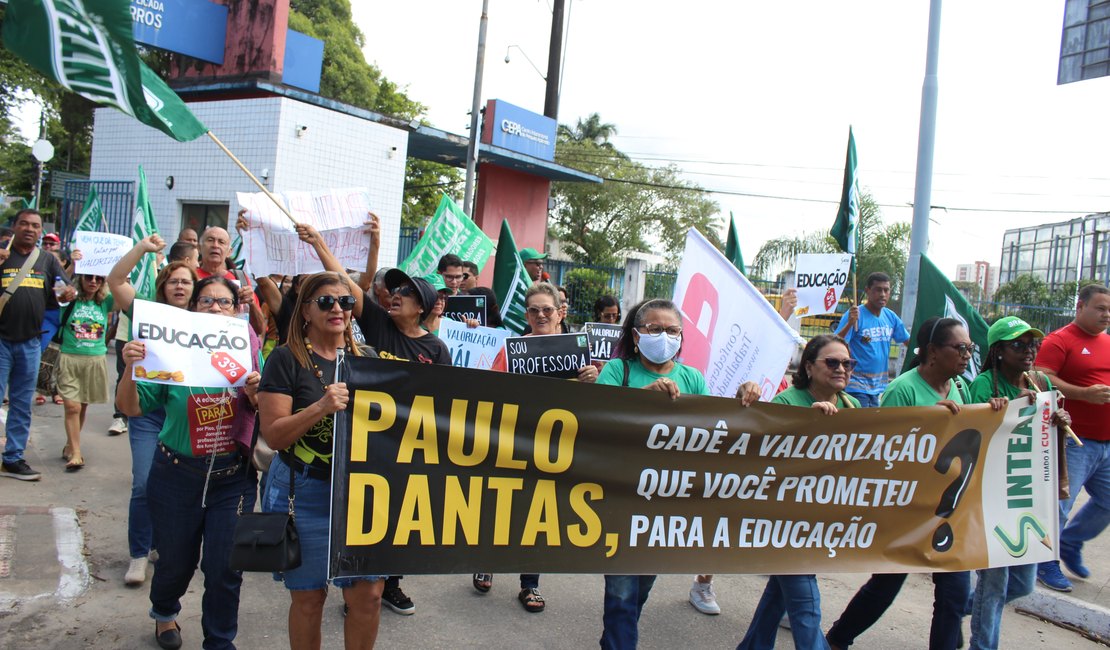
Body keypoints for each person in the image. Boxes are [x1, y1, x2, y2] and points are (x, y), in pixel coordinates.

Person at [826, 317, 1006, 650]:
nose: (967, 355)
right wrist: (928, 423)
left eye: (970, 348)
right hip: (908, 511)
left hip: (948, 511)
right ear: (934, 352)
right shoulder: (903, 389)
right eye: (960, 348)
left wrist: (995, 414)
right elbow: (883, 452)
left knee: (952, 596)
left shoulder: (961, 388)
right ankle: (839, 637)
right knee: (885, 585)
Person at [116, 275, 260, 650]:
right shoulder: (170, 352)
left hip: (233, 478)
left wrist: (257, 396)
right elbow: (131, 407)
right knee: (175, 563)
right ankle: (164, 613)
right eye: (206, 301)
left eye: (224, 302)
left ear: (237, 310)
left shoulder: (248, 353)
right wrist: (131, 367)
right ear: (193, 308)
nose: (215, 308)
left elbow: (268, 413)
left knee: (225, 568)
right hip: (176, 474)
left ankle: (219, 640)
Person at [258, 272, 384, 649]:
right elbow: (275, 435)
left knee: (368, 596)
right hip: (305, 490)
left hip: (362, 494)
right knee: (310, 598)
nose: (338, 310)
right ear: (305, 312)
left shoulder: (370, 359)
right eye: (326, 302)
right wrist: (321, 406)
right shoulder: (285, 359)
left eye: (346, 302)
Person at [595, 298, 710, 647]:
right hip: (621, 497)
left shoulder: (692, 378)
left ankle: (614, 638)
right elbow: (597, 421)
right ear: (635, 334)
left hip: (665, 504)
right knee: (621, 589)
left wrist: (742, 399)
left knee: (641, 588)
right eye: (655, 329)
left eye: (672, 330)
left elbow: (711, 433)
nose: (664, 336)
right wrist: (643, 396)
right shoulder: (618, 371)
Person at [478, 282, 598, 611]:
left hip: (555, 446)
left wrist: (593, 381)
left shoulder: (580, 353)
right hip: (514, 440)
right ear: (526, 314)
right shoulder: (512, 349)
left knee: (539, 515)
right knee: (502, 505)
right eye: (534, 310)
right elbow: (490, 390)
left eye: (547, 309)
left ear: (561, 312)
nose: (541, 315)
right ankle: (486, 560)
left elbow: (592, 407)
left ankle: (529, 584)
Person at [736, 335, 858, 650]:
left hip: (820, 522)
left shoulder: (851, 406)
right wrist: (808, 425)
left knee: (779, 596)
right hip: (784, 523)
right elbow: (764, 462)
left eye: (847, 363)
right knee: (806, 606)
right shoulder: (787, 403)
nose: (841, 368)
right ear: (808, 366)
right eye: (832, 362)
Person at [967, 316, 1071, 649]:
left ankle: (962, 607)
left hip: (1026, 498)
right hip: (993, 497)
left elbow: (1051, 437)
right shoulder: (984, 385)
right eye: (1018, 345)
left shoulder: (1041, 384)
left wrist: (1060, 420)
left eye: (1032, 344)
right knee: (994, 586)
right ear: (997, 352)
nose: (1028, 351)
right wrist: (990, 411)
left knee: (1023, 585)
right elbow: (970, 435)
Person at [109, 234, 197, 586]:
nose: (179, 286)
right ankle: (138, 554)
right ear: (163, 285)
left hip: (182, 411)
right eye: (173, 280)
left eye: (186, 281)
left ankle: (162, 543)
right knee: (144, 482)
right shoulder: (146, 312)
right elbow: (115, 281)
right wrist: (142, 249)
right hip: (148, 410)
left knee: (176, 485)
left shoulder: (204, 318)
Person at [1035, 283, 1110, 592]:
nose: (1107, 314)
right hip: (1073, 440)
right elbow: (1039, 376)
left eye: (1109, 309)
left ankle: (1070, 541)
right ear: (1080, 307)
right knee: (1060, 505)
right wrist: (1083, 394)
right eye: (1100, 308)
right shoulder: (1060, 340)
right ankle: (1045, 562)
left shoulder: (1107, 342)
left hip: (1106, 443)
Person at [0, 209, 74, 481]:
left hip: (31, 343)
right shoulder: (2, 255)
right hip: (1, 341)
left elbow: (62, 292)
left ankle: (13, 458)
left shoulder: (47, 260)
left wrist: (68, 292)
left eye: (35, 225)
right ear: (15, 226)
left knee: (21, 404)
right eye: (24, 224)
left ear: (40, 231)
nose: (30, 229)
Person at [56, 273, 114, 471]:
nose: (93, 282)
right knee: (72, 407)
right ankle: (77, 453)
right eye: (89, 277)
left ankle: (70, 446)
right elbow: (58, 295)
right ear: (80, 278)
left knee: (82, 406)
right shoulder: (69, 298)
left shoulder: (105, 301)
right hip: (70, 357)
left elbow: (121, 283)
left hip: (95, 359)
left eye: (99, 279)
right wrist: (72, 265)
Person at [835, 272, 909, 406]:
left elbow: (907, 340)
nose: (882, 294)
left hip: (878, 387)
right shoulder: (855, 315)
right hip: (856, 386)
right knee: (861, 425)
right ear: (867, 291)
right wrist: (850, 323)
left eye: (886, 290)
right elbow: (834, 342)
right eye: (878, 290)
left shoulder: (890, 316)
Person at [195, 226, 264, 335]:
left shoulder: (240, 278)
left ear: (229, 252)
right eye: (210, 240)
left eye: (221, 242)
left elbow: (259, 329)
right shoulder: (189, 277)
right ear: (199, 247)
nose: (215, 245)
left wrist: (251, 304)